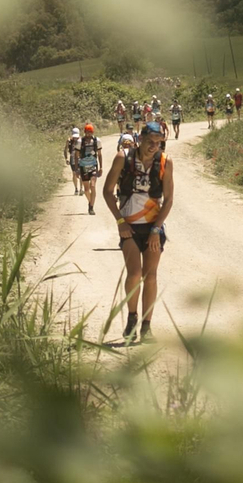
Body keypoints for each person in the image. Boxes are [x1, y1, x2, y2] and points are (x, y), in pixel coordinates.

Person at [103, 120, 173, 343]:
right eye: (150, 141)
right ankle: (132, 318)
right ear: (140, 138)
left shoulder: (165, 162)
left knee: (150, 276)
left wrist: (156, 229)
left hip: (153, 226)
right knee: (134, 274)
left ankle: (146, 326)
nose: (154, 146)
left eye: (159, 143)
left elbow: (169, 199)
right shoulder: (123, 158)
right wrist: (120, 221)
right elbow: (106, 191)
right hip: (130, 227)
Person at [76, 123, 104, 215]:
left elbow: (99, 155)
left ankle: (91, 207)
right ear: (84, 132)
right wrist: (77, 169)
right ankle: (90, 202)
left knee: (93, 186)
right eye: (87, 132)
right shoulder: (80, 142)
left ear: (92, 132)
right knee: (86, 189)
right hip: (83, 167)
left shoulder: (97, 141)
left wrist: (101, 167)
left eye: (90, 132)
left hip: (93, 166)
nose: (88, 134)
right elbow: (76, 156)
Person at [64, 127, 82, 195]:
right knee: (74, 173)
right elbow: (65, 150)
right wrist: (66, 158)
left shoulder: (81, 140)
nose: (75, 138)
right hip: (72, 158)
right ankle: (76, 189)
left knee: (81, 173)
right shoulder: (69, 141)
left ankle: (81, 189)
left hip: (80, 158)